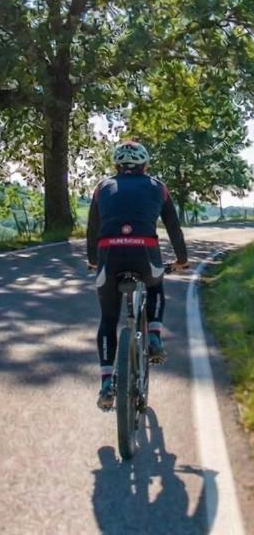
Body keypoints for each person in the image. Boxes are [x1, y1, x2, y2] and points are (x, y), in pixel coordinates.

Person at [86, 140, 188, 411]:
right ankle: (154, 336)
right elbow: (174, 229)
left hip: (109, 256)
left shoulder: (101, 188)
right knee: (155, 282)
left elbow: (92, 230)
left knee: (108, 319)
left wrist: (93, 261)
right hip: (145, 253)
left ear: (116, 166)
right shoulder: (158, 187)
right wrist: (182, 260)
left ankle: (107, 382)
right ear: (145, 165)